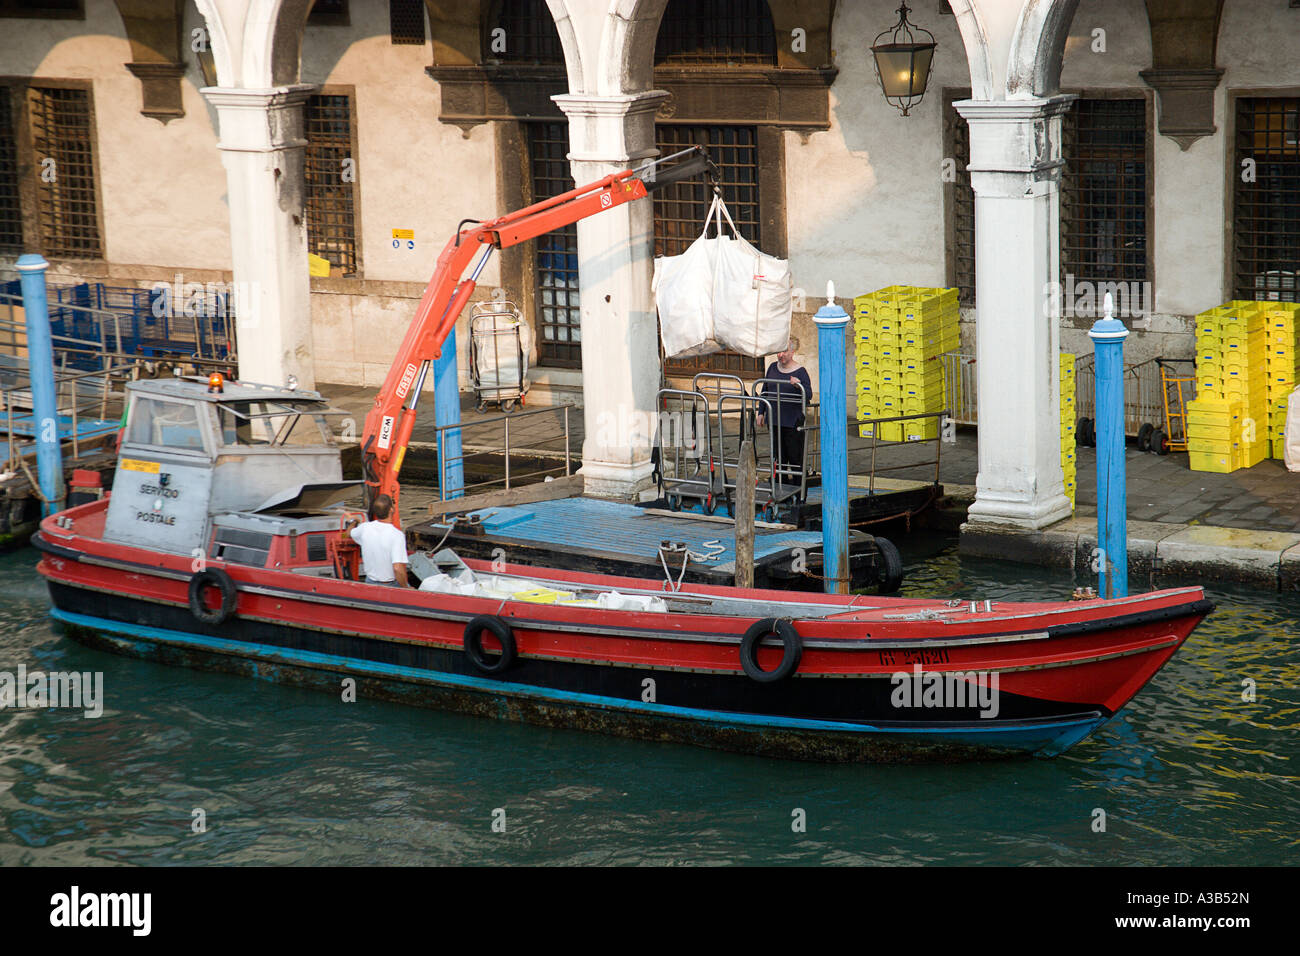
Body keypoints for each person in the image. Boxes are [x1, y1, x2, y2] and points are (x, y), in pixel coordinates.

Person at [758, 337, 812, 480]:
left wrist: (798, 385)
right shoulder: (772, 368)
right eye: (779, 352)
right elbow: (765, 390)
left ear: (792, 352)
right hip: (775, 420)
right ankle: (779, 488)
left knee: (795, 457)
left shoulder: (800, 372)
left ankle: (798, 491)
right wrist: (760, 413)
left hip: (792, 422)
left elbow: (809, 395)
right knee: (778, 457)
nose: (781, 355)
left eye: (784, 352)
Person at [345, 494, 409, 587]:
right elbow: (397, 568)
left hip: (370, 582)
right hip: (391, 584)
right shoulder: (397, 535)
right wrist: (406, 588)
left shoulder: (364, 528)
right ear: (391, 509)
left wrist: (354, 521)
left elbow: (348, 533)